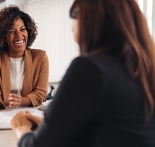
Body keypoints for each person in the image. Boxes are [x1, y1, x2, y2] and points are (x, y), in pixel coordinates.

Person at [10, 0, 155, 146]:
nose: (73, 30)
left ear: (90, 24)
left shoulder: (90, 69)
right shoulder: (145, 69)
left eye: (75, 22)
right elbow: (115, 130)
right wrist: (53, 126)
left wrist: (21, 128)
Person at [0, 6, 49, 110]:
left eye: (22, 29)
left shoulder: (40, 57)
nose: (19, 35)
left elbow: (40, 94)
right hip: (2, 115)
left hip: (30, 113)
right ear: (2, 36)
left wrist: (21, 101)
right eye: (12, 31)